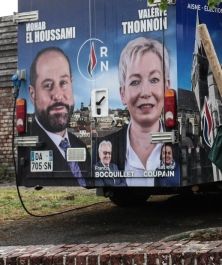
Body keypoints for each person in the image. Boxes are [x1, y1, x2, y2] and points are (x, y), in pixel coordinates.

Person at [101, 37, 170, 187]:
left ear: (166, 87)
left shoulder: (181, 146)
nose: (145, 93)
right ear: (122, 94)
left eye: (154, 80)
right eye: (134, 82)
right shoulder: (102, 148)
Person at [27, 47, 90, 187]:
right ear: (32, 94)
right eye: (48, 85)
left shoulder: (80, 146)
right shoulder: (29, 148)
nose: (57, 95)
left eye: (63, 83)